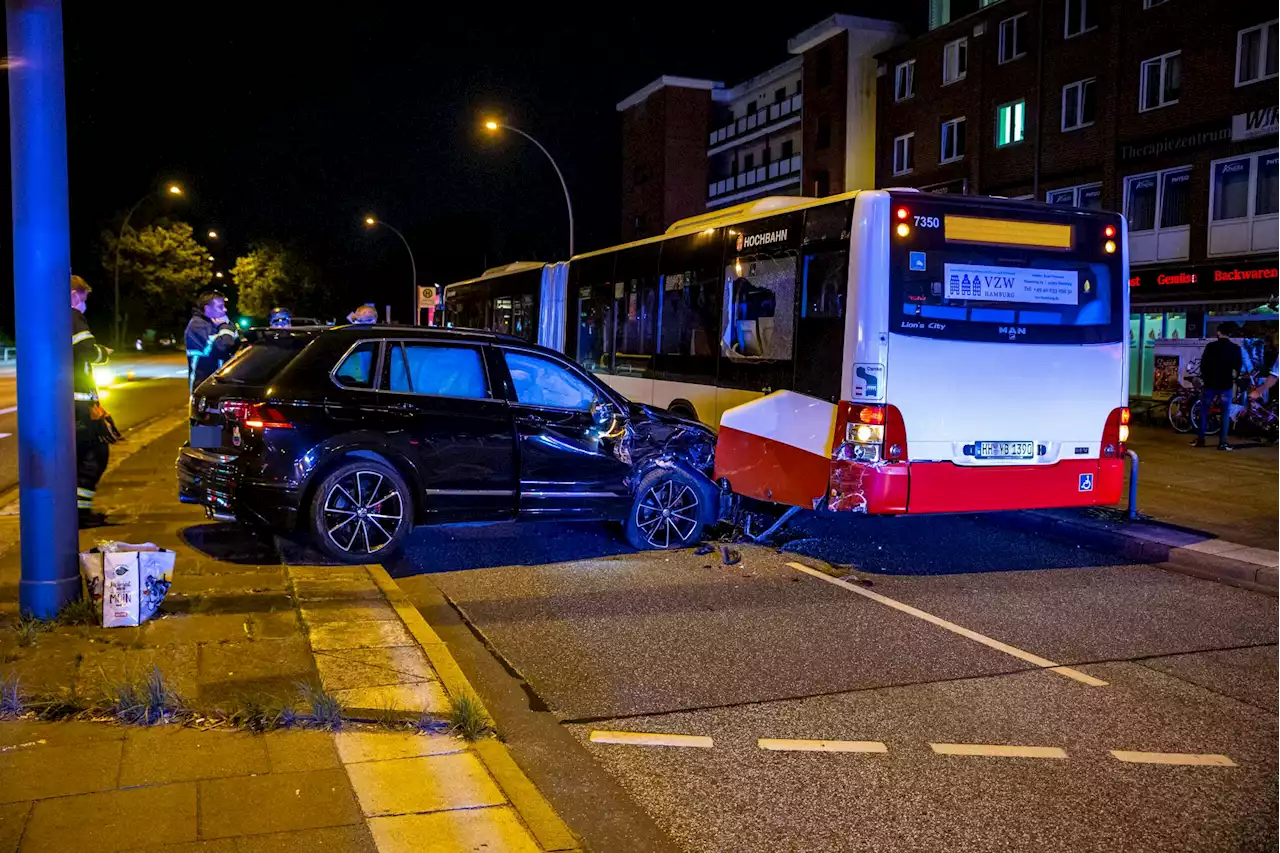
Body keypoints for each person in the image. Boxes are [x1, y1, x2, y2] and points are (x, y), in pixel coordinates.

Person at [70, 275, 116, 525]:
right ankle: (80, 513)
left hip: (72, 402)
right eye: (84, 296)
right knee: (95, 456)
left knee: (79, 458)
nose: (85, 302)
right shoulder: (74, 317)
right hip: (78, 405)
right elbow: (86, 350)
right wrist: (104, 353)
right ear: (75, 293)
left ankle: (77, 512)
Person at [1192, 322, 1243, 451]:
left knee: (1204, 410)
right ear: (1229, 334)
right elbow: (1238, 367)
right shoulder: (1235, 348)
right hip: (1226, 385)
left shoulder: (1211, 346)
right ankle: (1223, 443)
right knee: (1225, 413)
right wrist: (1233, 378)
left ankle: (1201, 440)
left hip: (1210, 384)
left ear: (1219, 333)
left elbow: (1203, 365)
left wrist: (1205, 378)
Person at [185, 290, 239, 393]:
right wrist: (224, 326)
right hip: (203, 389)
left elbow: (238, 347)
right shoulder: (197, 326)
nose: (225, 309)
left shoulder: (217, 324)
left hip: (221, 385)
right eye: (220, 306)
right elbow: (222, 347)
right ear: (207, 308)